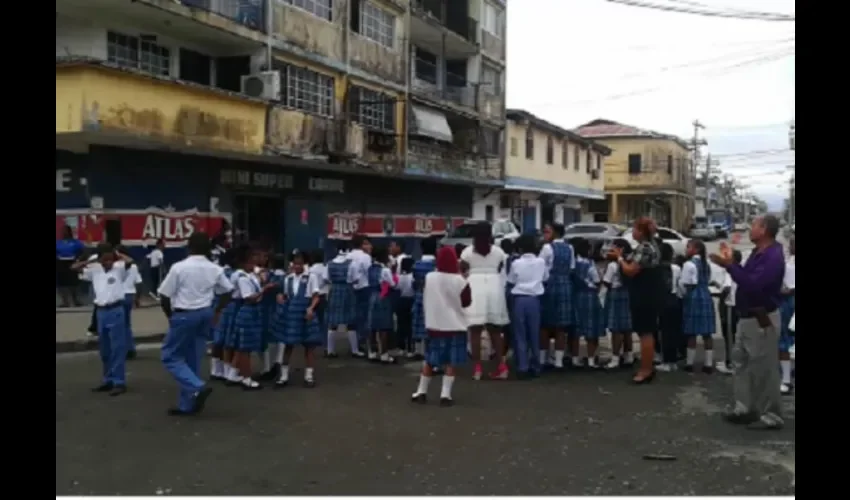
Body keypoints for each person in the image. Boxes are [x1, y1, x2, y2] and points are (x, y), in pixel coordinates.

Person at [710, 215, 785, 430]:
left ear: (764, 230)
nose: (750, 229)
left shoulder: (772, 256)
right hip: (747, 317)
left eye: (754, 226)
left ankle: (771, 415)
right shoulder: (758, 253)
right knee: (741, 363)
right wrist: (730, 264)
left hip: (761, 318)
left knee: (764, 369)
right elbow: (745, 277)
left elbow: (754, 285)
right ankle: (745, 407)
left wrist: (730, 266)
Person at [156, 232, 234, 416]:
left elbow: (164, 295)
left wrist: (170, 316)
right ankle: (187, 404)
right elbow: (228, 291)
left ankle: (197, 387)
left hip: (185, 313)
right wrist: (217, 311)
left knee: (170, 356)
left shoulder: (179, 267)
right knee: (192, 358)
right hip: (205, 313)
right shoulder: (215, 268)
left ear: (189, 247)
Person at [411, 246, 472, 406]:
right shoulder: (460, 281)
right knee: (451, 362)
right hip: (455, 326)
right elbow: (467, 302)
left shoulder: (429, 277)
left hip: (435, 325)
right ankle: (445, 395)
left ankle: (421, 391)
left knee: (430, 360)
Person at [72, 243, 134, 396]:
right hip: (101, 312)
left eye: (110, 259)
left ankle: (119, 382)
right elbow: (74, 268)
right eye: (104, 260)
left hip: (116, 310)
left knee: (117, 348)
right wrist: (90, 261)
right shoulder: (95, 270)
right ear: (99, 260)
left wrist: (116, 254)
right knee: (105, 349)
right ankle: (108, 380)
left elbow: (130, 261)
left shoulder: (119, 268)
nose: (108, 263)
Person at [608, 217, 664, 384]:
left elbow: (631, 270)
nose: (632, 232)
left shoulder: (645, 248)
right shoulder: (652, 245)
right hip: (648, 293)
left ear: (641, 231)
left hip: (644, 294)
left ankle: (645, 369)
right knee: (646, 331)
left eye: (634, 229)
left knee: (645, 332)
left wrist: (619, 258)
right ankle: (648, 367)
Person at [460, 223, 509, 381]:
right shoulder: (498, 251)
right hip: (494, 287)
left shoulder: (467, 252)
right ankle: (501, 367)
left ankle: (477, 369)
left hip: (475, 287)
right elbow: (502, 267)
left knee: (475, 331)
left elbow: (462, 269)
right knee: (495, 330)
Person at [225, 244, 276, 390]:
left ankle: (233, 374)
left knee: (243, 346)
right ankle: (247, 378)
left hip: (254, 312)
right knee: (245, 348)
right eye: (251, 260)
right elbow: (249, 297)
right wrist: (264, 290)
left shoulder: (250, 275)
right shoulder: (242, 278)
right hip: (248, 311)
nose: (254, 263)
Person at [274, 251, 323, 388]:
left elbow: (316, 295)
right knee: (288, 345)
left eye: (300, 263)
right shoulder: (287, 279)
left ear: (304, 264)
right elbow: (284, 295)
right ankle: (283, 376)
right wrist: (281, 298)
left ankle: (309, 376)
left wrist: (311, 308)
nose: (297, 266)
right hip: (290, 315)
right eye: (295, 263)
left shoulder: (311, 277)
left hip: (305, 314)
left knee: (309, 346)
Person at [506, 234, 548, 379]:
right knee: (534, 333)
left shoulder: (516, 263)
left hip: (519, 299)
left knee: (520, 334)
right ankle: (536, 365)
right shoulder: (541, 262)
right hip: (535, 299)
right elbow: (545, 278)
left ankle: (522, 366)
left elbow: (511, 280)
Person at [539, 223, 575, 370]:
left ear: (554, 233)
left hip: (550, 285)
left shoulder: (547, 248)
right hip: (566, 284)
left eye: (548, 232)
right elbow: (572, 268)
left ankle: (542, 359)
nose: (545, 235)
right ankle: (559, 361)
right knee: (561, 325)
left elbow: (541, 267)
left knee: (545, 323)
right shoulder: (570, 247)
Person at [681, 239, 717, 373]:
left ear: (696, 249)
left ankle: (690, 363)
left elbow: (687, 284)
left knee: (691, 332)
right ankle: (708, 364)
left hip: (694, 296)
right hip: (706, 295)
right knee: (707, 332)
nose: (686, 249)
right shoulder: (706, 264)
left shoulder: (689, 264)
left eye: (688, 247)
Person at [571, 237, 605, 368]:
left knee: (576, 329)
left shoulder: (573, 264)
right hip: (590, 296)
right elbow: (597, 281)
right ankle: (591, 360)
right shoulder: (590, 264)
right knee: (592, 329)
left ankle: (575, 358)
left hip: (577, 296)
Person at [603, 238, 634, 369]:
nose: (610, 250)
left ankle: (615, 358)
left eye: (613, 248)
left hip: (615, 295)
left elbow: (607, 282)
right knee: (627, 328)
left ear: (620, 250)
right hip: (628, 294)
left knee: (616, 329)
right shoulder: (630, 262)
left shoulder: (612, 265)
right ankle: (629, 356)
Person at [325, 242, 358, 357]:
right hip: (348, 290)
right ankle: (354, 350)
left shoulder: (329, 264)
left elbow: (326, 279)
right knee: (351, 320)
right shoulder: (351, 264)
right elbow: (355, 279)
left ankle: (330, 350)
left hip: (334, 290)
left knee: (333, 321)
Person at [210, 249, 237, 381]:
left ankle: (217, 369)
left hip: (218, 304)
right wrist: (219, 309)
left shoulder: (220, 271)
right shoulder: (227, 273)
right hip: (224, 305)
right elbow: (228, 291)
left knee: (218, 338)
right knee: (223, 339)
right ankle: (221, 370)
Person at [657, 243, 684, 372]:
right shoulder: (677, 268)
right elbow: (680, 285)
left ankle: (666, 361)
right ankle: (673, 360)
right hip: (675, 299)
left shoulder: (658, 268)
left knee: (664, 332)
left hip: (663, 300)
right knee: (673, 331)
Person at [367, 246, 397, 363]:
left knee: (372, 326)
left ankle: (372, 352)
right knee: (384, 326)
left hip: (372, 296)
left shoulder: (370, 268)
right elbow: (392, 284)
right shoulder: (385, 270)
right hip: (382, 297)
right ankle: (384, 353)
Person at [410, 237, 438, 360]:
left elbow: (414, 283)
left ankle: (418, 350)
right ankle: (431, 351)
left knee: (418, 322)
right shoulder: (436, 265)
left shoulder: (416, 265)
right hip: (433, 297)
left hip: (419, 295)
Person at [717, 249, 743, 375]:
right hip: (738, 306)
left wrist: (721, 305)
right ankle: (732, 361)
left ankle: (730, 364)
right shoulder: (741, 270)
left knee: (728, 335)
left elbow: (727, 288)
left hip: (729, 306)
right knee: (735, 335)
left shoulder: (730, 272)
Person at [348, 234, 373, 354]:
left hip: (352, 287)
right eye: (366, 243)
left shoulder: (348, 256)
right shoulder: (365, 257)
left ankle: (355, 343)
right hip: (365, 287)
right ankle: (362, 341)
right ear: (361, 244)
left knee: (354, 315)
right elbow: (370, 272)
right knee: (365, 316)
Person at [117, 245, 143, 360]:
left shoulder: (117, 266)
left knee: (119, 325)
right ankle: (130, 347)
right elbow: (139, 283)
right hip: (130, 295)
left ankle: (123, 348)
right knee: (127, 324)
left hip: (119, 296)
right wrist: (137, 299)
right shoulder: (134, 266)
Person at [778, 237, 795, 395]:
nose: (790, 247)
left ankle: (786, 380)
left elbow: (789, 289)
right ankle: (786, 377)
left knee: (785, 340)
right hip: (788, 302)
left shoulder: (789, 265)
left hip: (789, 303)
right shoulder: (788, 263)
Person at [56, 226, 85, 307]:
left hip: (72, 263)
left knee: (74, 282)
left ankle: (75, 300)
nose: (64, 232)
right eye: (63, 231)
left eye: (66, 231)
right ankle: (65, 301)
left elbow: (82, 252)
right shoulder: (58, 242)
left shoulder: (76, 242)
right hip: (60, 263)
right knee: (61, 283)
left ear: (70, 232)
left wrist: (79, 260)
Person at [308, 249, 329, 353]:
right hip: (323, 295)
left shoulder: (310, 269)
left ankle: (311, 341)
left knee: (311, 320)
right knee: (323, 321)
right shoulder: (325, 268)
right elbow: (327, 279)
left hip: (312, 296)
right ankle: (324, 342)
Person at [396, 257, 415, 357]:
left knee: (401, 324)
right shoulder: (413, 277)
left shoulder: (399, 277)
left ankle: (401, 347)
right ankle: (410, 349)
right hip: (411, 300)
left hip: (401, 300)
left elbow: (397, 288)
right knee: (410, 326)